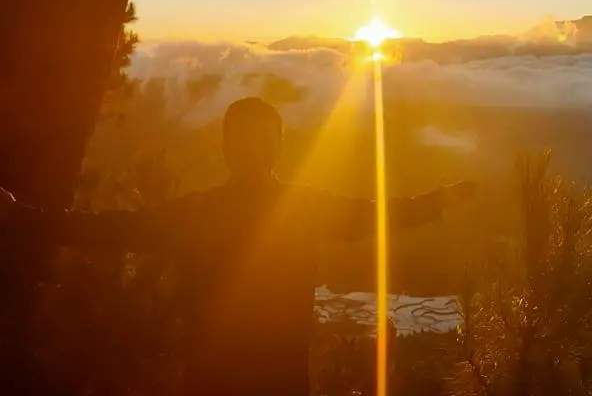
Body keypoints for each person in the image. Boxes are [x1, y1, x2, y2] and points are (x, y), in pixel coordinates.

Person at [0, 96, 476, 396]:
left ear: (228, 150)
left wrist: (24, 218)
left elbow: (111, 229)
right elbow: (379, 213)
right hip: (280, 381)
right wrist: (438, 201)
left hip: (214, 381)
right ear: (279, 149)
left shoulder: (197, 213)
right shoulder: (304, 208)